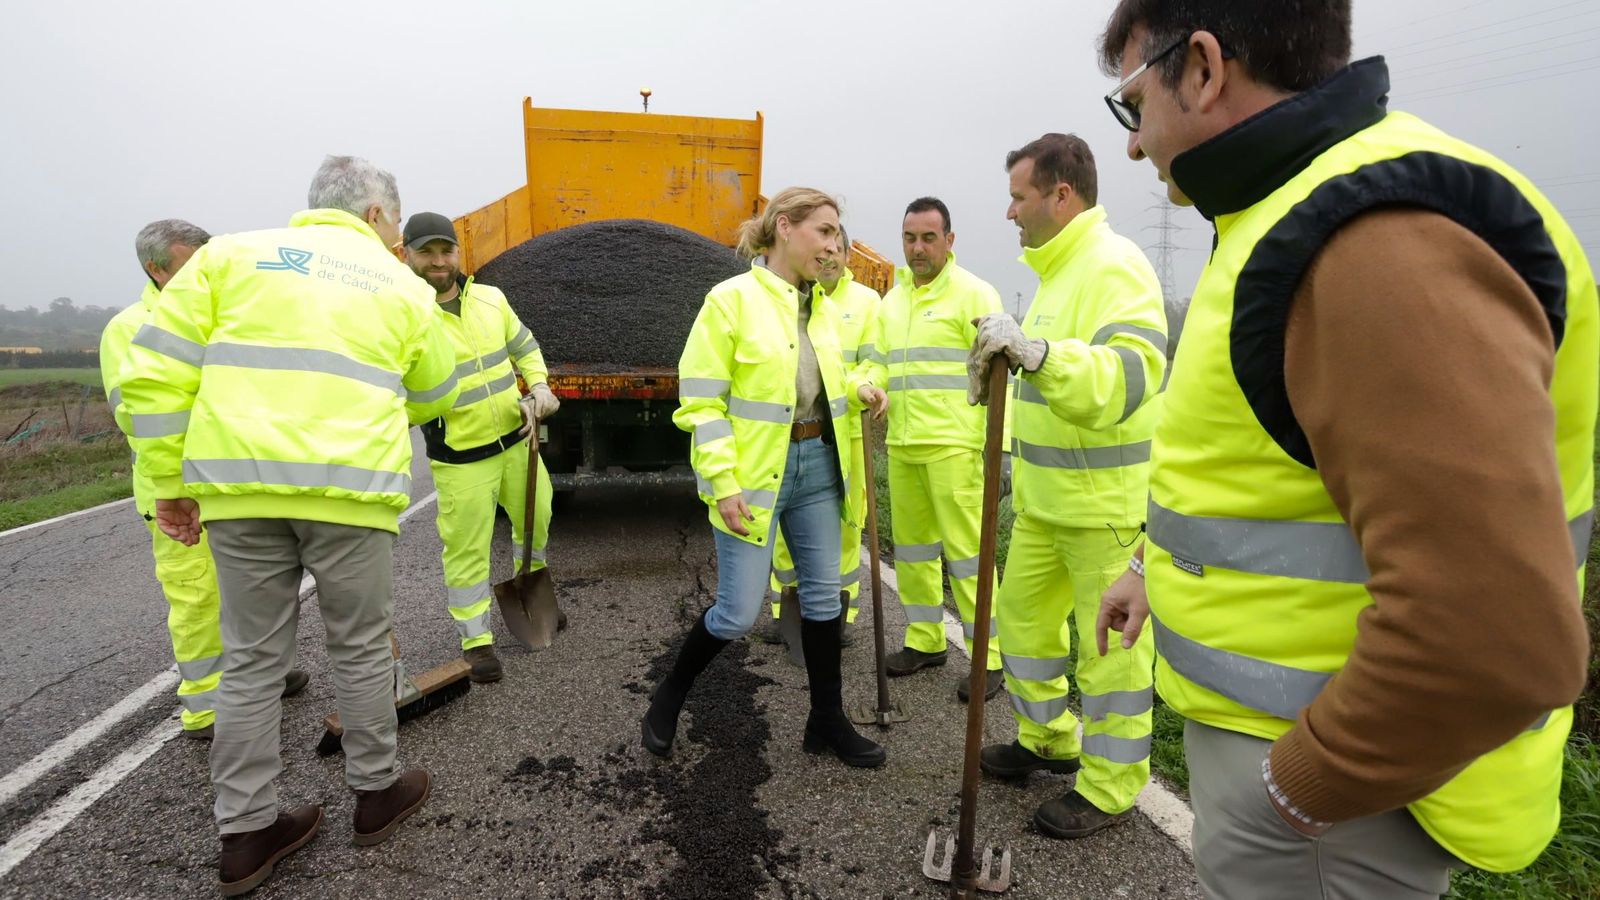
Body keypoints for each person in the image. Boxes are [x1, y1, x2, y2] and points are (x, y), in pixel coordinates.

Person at [1091, 2, 1596, 896]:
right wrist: (1150, 566)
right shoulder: (1285, 212)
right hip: (1320, 789)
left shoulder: (1368, 238)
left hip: (1339, 811)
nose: (1133, 145)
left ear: (1202, 67)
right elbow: (1269, 478)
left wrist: (1296, 792)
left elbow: (1492, 637)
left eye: (1133, 104)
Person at [120, 156, 461, 895]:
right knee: (360, 648)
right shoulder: (400, 284)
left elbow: (154, 376)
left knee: (250, 661)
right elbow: (438, 389)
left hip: (238, 492)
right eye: (395, 224)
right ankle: (376, 796)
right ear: (376, 215)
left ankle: (246, 834)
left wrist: (172, 484)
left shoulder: (226, 259)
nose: (397, 238)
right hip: (351, 493)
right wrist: (372, 405)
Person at [642, 187, 889, 768]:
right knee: (736, 612)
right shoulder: (729, 301)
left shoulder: (823, 308)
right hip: (753, 479)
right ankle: (668, 696)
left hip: (820, 467)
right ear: (784, 226)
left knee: (824, 599)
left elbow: (833, 378)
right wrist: (723, 482)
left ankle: (827, 719)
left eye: (836, 234)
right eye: (824, 231)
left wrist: (863, 387)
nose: (834, 244)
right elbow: (702, 403)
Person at [968, 133, 1166, 838]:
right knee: (1022, 627)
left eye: (1018, 196)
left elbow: (1130, 377)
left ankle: (1110, 788)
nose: (1010, 212)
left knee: (1109, 659)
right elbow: (1046, 386)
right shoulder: (1057, 274)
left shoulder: (1115, 265)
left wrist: (1039, 354)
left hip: (1103, 513)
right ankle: (1049, 740)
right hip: (1045, 507)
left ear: (1061, 194)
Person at [101, 219, 309, 742]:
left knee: (257, 588)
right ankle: (207, 706)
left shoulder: (221, 312)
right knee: (197, 598)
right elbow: (139, 418)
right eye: (192, 263)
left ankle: (269, 674)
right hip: (178, 489)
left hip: (235, 482)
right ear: (156, 269)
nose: (209, 271)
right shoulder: (130, 328)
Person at [403, 212, 559, 683]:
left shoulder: (492, 299)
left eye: (445, 250)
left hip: (517, 443)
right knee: (467, 548)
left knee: (538, 518)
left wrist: (539, 385)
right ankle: (476, 640)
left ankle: (532, 591)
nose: (438, 261)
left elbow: (525, 346)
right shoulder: (405, 315)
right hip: (460, 457)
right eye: (426, 252)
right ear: (406, 254)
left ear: (458, 252)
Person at [871, 197, 1005, 702]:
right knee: (913, 552)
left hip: (956, 445)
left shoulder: (975, 294)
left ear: (949, 240)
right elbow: (880, 362)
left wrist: (1001, 450)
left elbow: (1002, 375)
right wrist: (869, 384)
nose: (918, 248)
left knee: (968, 557)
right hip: (903, 443)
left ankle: (989, 658)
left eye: (929, 238)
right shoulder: (893, 302)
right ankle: (925, 640)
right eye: (910, 238)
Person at [761, 224, 884, 648]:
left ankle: (838, 617)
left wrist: (865, 385)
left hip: (847, 435)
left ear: (848, 255)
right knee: (784, 531)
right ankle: (785, 612)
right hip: (793, 434)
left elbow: (873, 362)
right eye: (823, 249)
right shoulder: (788, 296)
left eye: (837, 250)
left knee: (846, 528)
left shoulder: (867, 303)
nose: (829, 257)